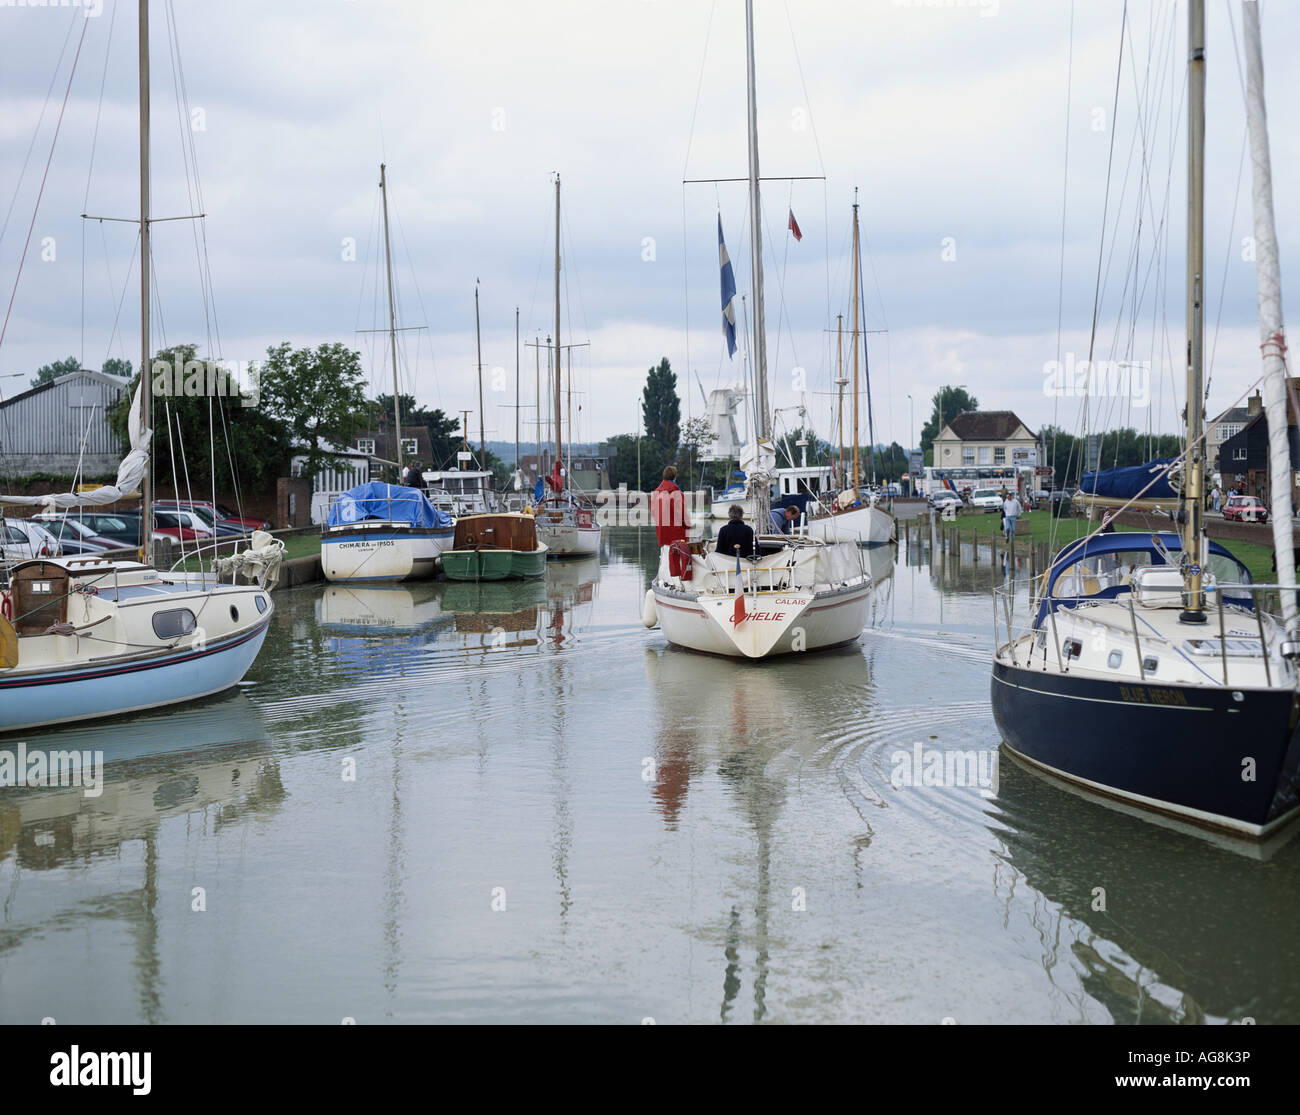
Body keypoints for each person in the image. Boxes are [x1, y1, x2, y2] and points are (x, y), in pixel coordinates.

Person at [650, 465, 688, 548]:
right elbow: (683, 515)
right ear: (675, 476)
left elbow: (653, 513)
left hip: (662, 534)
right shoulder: (677, 494)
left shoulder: (655, 494)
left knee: (667, 554)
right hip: (677, 535)